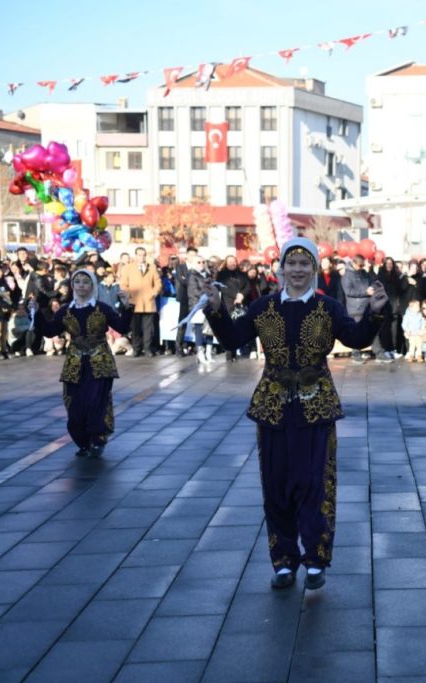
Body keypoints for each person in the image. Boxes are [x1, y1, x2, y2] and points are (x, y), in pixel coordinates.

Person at [204, 238, 388, 591]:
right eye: (292, 263)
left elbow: (355, 338)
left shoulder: (329, 307)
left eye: (306, 264)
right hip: (272, 407)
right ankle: (284, 560)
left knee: (314, 483)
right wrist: (216, 310)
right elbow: (232, 339)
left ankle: (316, 559)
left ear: (315, 269)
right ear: (282, 268)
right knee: (276, 487)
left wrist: (375, 312)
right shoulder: (262, 307)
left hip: (315, 406)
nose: (299, 270)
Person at [31, 269, 133, 457]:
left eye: (85, 282)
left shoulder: (102, 308)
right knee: (75, 404)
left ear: (92, 285)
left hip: (100, 362)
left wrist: (127, 308)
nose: (81, 285)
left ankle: (97, 439)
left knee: (96, 402)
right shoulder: (66, 310)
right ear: (72, 285)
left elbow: (122, 327)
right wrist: (37, 313)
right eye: (77, 281)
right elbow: (51, 331)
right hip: (75, 363)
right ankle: (82, 441)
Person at [119, 246, 161, 357]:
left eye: (143, 255)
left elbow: (158, 283)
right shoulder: (128, 268)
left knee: (149, 328)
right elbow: (123, 284)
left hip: (148, 302)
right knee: (135, 328)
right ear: (135, 256)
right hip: (134, 303)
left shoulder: (152, 267)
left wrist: (154, 293)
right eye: (139, 255)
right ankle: (136, 348)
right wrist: (130, 295)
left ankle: (147, 349)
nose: (142, 257)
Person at [186, 254, 215, 364]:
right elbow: (195, 291)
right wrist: (209, 294)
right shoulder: (192, 275)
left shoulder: (208, 274)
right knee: (199, 329)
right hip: (198, 305)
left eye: (203, 262)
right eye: (199, 262)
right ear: (194, 263)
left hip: (209, 305)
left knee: (210, 329)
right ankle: (200, 352)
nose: (201, 264)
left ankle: (208, 352)